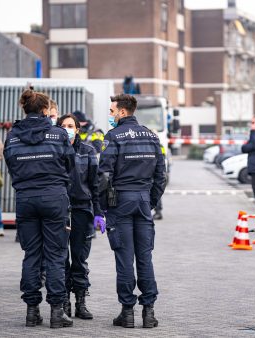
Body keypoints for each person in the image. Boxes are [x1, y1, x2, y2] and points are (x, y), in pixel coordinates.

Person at [4, 89, 75, 329]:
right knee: (56, 255)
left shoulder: (12, 136)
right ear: (45, 110)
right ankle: (57, 311)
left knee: (32, 254)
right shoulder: (58, 135)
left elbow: (11, 166)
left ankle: (32, 311)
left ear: (25, 109)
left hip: (26, 199)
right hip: (54, 198)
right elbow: (70, 166)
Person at [98, 94, 166, 329]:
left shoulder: (113, 137)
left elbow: (104, 176)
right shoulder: (151, 136)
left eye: (112, 110)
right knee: (145, 257)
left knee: (124, 257)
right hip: (143, 201)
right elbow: (161, 176)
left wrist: (103, 207)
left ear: (123, 112)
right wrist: (151, 201)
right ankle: (149, 312)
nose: (111, 114)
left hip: (120, 203)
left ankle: (127, 312)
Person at [57, 114, 105, 320]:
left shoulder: (88, 151)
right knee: (60, 260)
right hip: (59, 212)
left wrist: (99, 213)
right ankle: (64, 302)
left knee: (79, 259)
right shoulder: (55, 150)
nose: (67, 129)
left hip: (81, 211)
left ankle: (80, 302)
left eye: (70, 126)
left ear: (77, 129)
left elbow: (96, 185)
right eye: (63, 126)